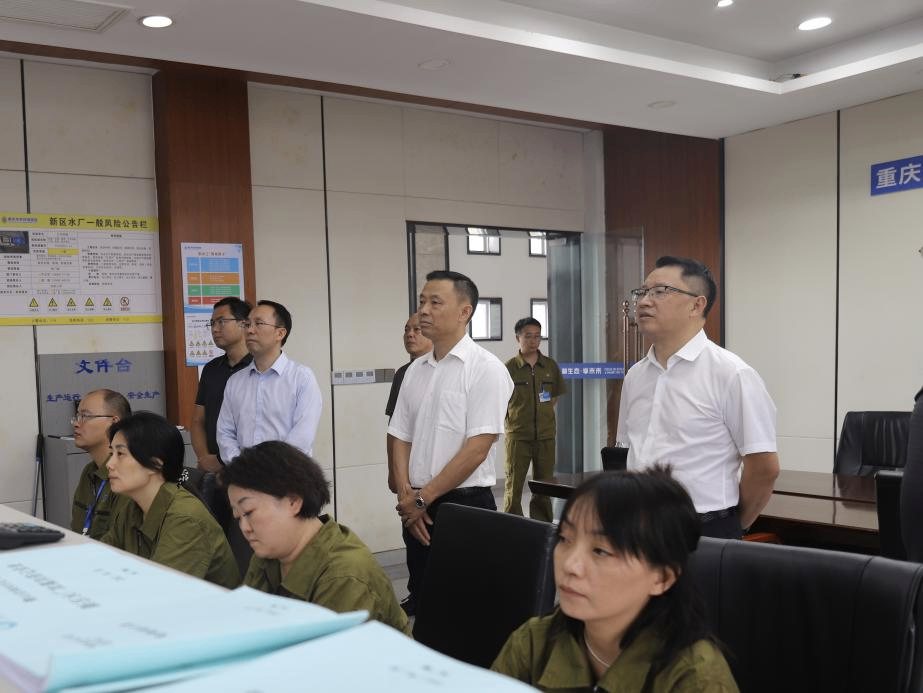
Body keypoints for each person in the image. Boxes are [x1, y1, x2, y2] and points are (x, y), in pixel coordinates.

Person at [491, 468, 739, 693]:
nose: (570, 565)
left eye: (601, 551)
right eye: (565, 539)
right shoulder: (535, 642)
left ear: (662, 577)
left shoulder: (696, 678)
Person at [616, 256, 779, 539]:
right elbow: (627, 451)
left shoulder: (732, 374)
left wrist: (731, 526)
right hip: (639, 528)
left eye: (660, 291)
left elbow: (764, 468)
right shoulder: (635, 376)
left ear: (696, 305)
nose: (644, 302)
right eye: (642, 292)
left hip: (705, 529)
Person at [388, 270, 514, 616]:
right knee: (423, 596)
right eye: (422, 302)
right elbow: (400, 435)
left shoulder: (486, 368)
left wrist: (422, 498)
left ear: (464, 312)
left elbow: (477, 448)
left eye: (435, 302)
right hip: (416, 504)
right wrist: (407, 495)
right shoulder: (415, 371)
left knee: (464, 607)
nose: (424, 310)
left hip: (464, 504)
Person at [221, 441, 409, 634]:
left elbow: (323, 651)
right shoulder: (269, 554)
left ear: (293, 501)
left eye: (249, 512)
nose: (244, 528)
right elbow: (246, 621)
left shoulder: (344, 575)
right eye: (238, 517)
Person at [100, 412, 240, 588]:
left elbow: (160, 590)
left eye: (120, 454)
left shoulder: (185, 518)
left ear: (155, 464)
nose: (109, 464)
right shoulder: (132, 506)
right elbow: (100, 560)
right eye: (111, 453)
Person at [217, 299, 323, 463]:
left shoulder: (302, 378)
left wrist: (270, 471)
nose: (250, 330)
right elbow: (225, 433)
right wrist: (240, 467)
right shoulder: (235, 381)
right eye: (247, 324)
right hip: (243, 474)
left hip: (289, 473)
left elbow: (302, 437)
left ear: (280, 333)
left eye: (258, 324)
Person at [503, 317, 566, 521]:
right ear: (518, 338)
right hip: (518, 437)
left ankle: (542, 526)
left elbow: (553, 397)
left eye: (537, 336)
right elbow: (501, 401)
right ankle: (513, 526)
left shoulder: (550, 366)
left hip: (545, 436)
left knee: (544, 487)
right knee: (514, 486)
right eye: (528, 336)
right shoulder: (509, 368)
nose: (533, 341)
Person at [191, 296, 253, 473]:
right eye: (212, 323)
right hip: (213, 468)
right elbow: (198, 420)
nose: (215, 329)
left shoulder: (258, 368)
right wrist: (204, 459)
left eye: (221, 322)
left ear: (244, 324)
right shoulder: (211, 368)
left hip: (249, 467)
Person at [69, 389, 131, 538]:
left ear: (114, 422)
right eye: (77, 416)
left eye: (85, 416)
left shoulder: (127, 474)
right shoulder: (89, 472)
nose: (76, 423)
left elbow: (120, 541)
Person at [385, 313, 433, 492]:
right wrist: (393, 472)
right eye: (406, 330)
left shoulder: (445, 370)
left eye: (417, 330)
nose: (410, 334)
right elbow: (394, 429)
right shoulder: (403, 373)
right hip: (409, 470)